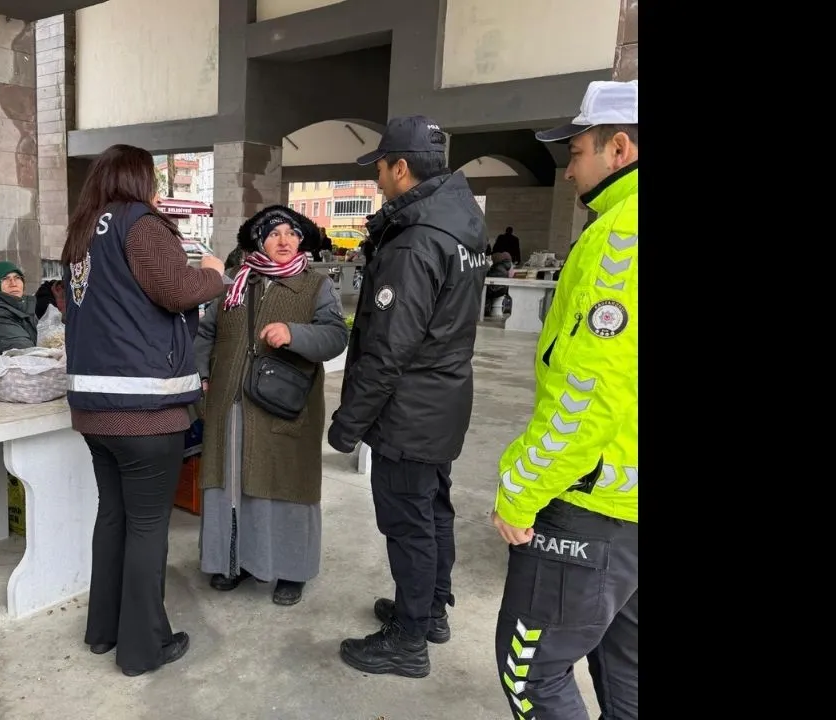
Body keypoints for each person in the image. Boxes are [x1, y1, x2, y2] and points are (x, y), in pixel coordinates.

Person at [490, 79, 638, 720]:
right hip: (629, 507)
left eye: (577, 151)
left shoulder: (617, 240)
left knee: (531, 670)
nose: (569, 166)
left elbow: (588, 391)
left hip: (592, 504)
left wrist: (519, 489)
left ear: (620, 149)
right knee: (626, 666)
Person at [327, 115, 489, 678]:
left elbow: (389, 348)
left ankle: (408, 640)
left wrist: (349, 422)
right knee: (434, 508)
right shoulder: (462, 225)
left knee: (408, 523)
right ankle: (430, 608)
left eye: (378, 167)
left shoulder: (415, 242)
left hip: (410, 409)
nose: (376, 178)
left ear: (401, 167)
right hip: (444, 400)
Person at [61, 143, 227, 677]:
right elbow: (177, 290)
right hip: (146, 410)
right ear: (138, 180)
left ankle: (104, 632)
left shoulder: (82, 232)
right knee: (148, 527)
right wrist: (215, 273)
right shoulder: (141, 223)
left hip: (94, 409)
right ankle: (143, 648)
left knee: (113, 517)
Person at [194, 205, 348, 606]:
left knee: (285, 485)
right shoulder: (235, 284)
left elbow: (335, 335)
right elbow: (206, 333)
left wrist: (294, 334)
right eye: (275, 233)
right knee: (233, 484)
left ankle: (291, 571)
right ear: (259, 240)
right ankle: (235, 562)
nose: (284, 240)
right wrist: (204, 376)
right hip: (230, 405)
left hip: (284, 406)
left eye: (292, 233)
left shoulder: (316, 286)